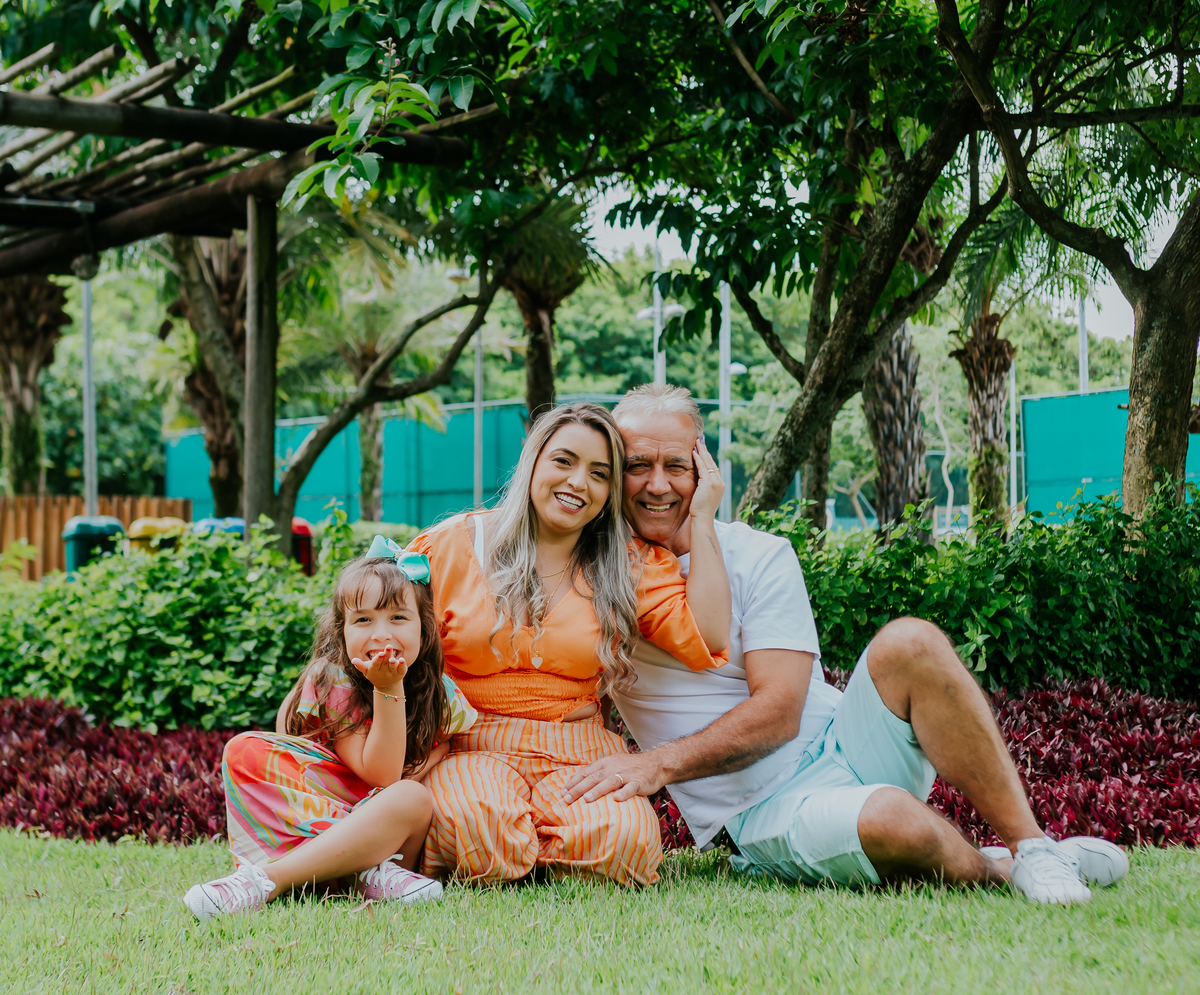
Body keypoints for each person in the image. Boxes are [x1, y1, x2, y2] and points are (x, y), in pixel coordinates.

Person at [564, 382, 1129, 907]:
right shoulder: (597, 578)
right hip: (759, 809)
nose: (657, 484)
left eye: (675, 465)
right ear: (613, 474)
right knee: (892, 820)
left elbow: (780, 713)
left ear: (702, 466)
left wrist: (656, 765)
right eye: (637, 466)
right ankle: (1001, 870)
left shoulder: (760, 555)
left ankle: (1032, 847)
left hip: (844, 743)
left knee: (911, 640)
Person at [411, 401, 731, 888]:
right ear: (532, 459)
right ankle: (530, 849)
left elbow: (708, 635)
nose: (579, 483)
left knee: (623, 844)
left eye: (600, 473)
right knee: (475, 825)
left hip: (578, 750)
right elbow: (384, 637)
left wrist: (703, 516)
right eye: (564, 461)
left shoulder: (627, 562)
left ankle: (532, 851)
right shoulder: (450, 546)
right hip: (470, 744)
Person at [184, 541, 474, 920]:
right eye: (364, 620)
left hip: (388, 822)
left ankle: (267, 880)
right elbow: (377, 771)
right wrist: (386, 689)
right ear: (342, 631)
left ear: (426, 630)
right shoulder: (335, 682)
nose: (381, 635)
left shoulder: (442, 694)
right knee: (243, 749)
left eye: (399, 618)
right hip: (327, 803)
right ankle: (361, 872)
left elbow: (399, 777)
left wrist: (390, 690)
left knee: (411, 798)